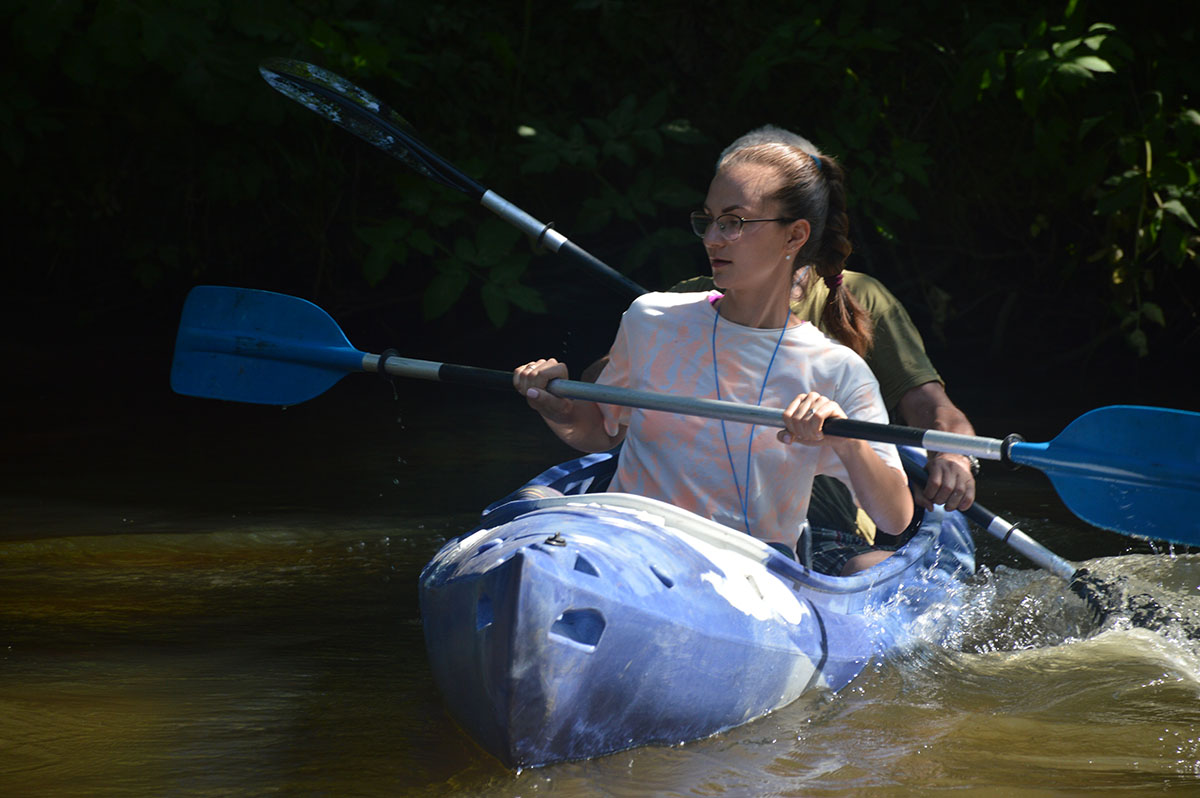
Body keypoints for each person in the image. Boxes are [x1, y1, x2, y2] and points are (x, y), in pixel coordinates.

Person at [515, 135, 920, 575]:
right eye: (707, 220)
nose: (712, 238)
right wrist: (557, 407)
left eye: (734, 222)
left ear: (795, 235)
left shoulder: (836, 368)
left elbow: (894, 516)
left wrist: (847, 439)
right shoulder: (650, 318)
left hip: (747, 576)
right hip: (630, 549)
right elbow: (602, 431)